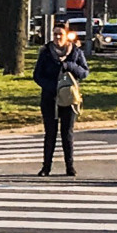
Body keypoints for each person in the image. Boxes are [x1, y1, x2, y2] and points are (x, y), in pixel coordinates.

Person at [34, 23, 88, 177]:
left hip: (69, 99)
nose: (58, 37)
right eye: (55, 34)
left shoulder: (76, 52)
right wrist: (52, 87)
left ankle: (69, 167)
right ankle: (46, 167)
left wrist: (71, 66)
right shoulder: (45, 52)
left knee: (67, 133)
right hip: (49, 98)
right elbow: (37, 75)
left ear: (67, 35)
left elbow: (84, 72)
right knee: (50, 133)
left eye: (61, 34)